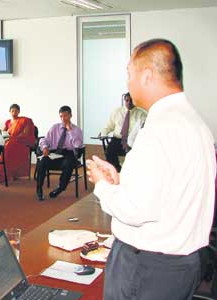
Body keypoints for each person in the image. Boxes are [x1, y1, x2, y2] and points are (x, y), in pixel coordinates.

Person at [87, 39, 216, 300]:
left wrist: (102, 185)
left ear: (146, 75)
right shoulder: (193, 122)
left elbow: (136, 210)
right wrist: (120, 181)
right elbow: (170, 188)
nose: (128, 83)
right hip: (179, 265)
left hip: (146, 268)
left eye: (129, 73)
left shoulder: (160, 128)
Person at [36, 106, 83, 201]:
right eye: (61, 116)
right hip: (55, 153)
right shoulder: (55, 127)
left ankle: (60, 188)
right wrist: (44, 147)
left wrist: (70, 131)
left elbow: (78, 145)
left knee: (68, 164)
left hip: (69, 153)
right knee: (42, 162)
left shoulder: (77, 130)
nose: (63, 118)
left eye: (65, 116)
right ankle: (39, 189)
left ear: (70, 115)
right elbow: (44, 139)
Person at [100, 92, 147, 172]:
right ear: (124, 101)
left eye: (131, 100)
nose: (129, 103)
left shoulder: (142, 114)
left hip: (133, 142)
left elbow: (145, 131)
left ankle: (130, 173)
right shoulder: (117, 111)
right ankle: (118, 171)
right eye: (127, 100)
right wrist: (103, 133)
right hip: (117, 139)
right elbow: (109, 126)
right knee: (110, 152)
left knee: (137, 156)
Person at [0, 104, 35, 183]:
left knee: (9, 146)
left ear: (19, 112)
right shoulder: (8, 122)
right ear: (10, 112)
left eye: (16, 111)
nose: (14, 113)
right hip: (10, 141)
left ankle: (8, 173)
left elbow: (25, 134)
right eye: (12, 111)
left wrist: (12, 138)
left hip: (21, 142)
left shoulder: (25, 120)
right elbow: (4, 133)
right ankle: (3, 172)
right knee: (1, 145)